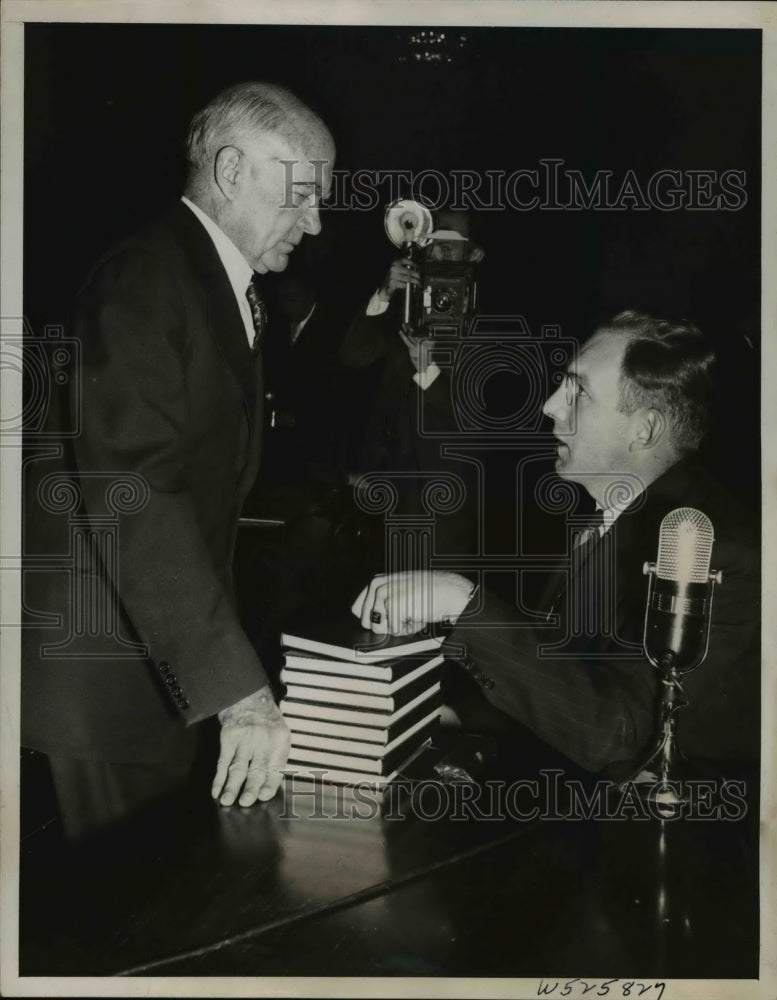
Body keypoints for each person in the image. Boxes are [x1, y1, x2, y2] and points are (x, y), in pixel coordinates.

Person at [21, 82, 335, 840]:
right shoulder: (144, 279)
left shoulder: (211, 284)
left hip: (150, 673)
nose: (315, 222)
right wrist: (239, 696)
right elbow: (137, 489)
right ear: (231, 171)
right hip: (104, 680)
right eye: (300, 196)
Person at [351, 311, 760, 772]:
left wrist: (464, 602)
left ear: (644, 430)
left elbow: (624, 737)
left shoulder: (717, 551)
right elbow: (563, 685)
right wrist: (436, 713)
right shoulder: (609, 515)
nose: (550, 405)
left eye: (578, 391)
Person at [339, 220, 481, 566]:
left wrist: (427, 370)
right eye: (434, 245)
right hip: (385, 495)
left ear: (473, 255)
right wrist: (385, 293)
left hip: (436, 505)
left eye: (451, 246)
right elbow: (353, 355)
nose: (441, 254)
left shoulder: (481, 328)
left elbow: (473, 429)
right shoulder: (408, 315)